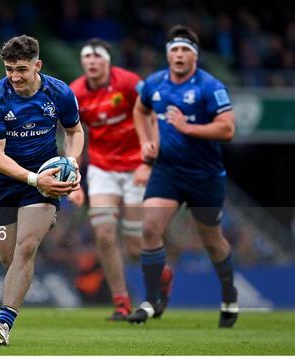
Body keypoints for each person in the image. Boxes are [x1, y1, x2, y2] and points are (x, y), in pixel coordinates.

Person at [127, 25, 238, 328]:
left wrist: (189, 129)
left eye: (184, 50)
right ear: (167, 55)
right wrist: (146, 142)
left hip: (205, 175)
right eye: (174, 50)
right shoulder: (154, 84)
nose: (178, 54)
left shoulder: (209, 86)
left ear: (195, 57)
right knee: (149, 228)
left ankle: (229, 294)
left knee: (212, 242)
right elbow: (140, 110)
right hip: (168, 170)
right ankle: (151, 301)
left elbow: (227, 129)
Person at [0, 35, 84, 345]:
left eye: (21, 69)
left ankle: (2, 323)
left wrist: (71, 161)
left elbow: (74, 130)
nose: (14, 76)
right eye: (9, 69)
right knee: (9, 258)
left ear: (37, 65)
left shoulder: (59, 92)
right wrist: (33, 179)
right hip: (4, 181)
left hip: (46, 178)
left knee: (26, 247)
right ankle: (40, 220)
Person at [69, 38, 174, 321]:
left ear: (107, 61)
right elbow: (72, 133)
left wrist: (148, 162)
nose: (91, 62)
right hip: (102, 168)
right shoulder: (75, 92)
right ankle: (121, 302)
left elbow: (152, 118)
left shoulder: (128, 83)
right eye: (87, 58)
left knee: (133, 243)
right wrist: (74, 178)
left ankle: (162, 274)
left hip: (135, 167)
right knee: (103, 235)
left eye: (97, 58)